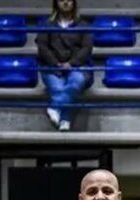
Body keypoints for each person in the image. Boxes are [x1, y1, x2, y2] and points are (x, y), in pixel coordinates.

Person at [35, 0, 92, 131]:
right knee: (58, 88)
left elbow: (87, 49)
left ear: (74, 3)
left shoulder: (84, 25)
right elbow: (42, 48)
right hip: (52, 67)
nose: (66, 2)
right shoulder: (47, 25)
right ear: (56, 3)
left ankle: (55, 107)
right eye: (61, 0)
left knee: (76, 82)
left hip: (77, 66)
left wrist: (71, 64)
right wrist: (56, 64)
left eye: (69, 0)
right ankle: (65, 119)